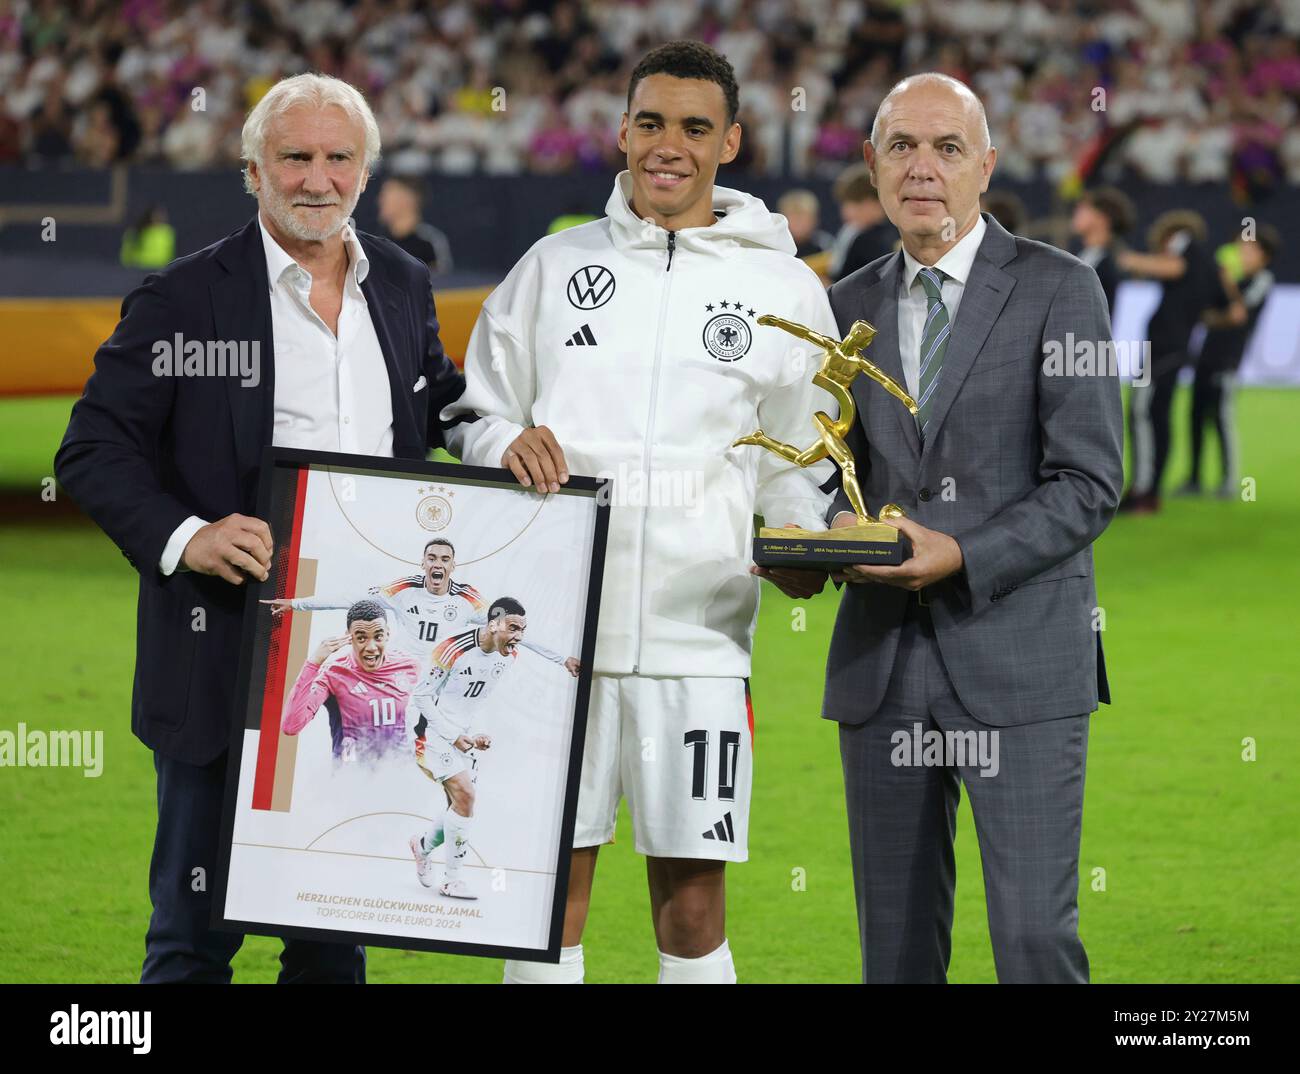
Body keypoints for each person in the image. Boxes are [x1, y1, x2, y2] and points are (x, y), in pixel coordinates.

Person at [53, 73, 464, 984]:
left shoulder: (400, 284)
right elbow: (92, 449)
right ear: (252, 170)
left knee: (332, 942)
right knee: (192, 945)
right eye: (295, 157)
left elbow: (439, 411)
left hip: (358, 667)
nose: (318, 179)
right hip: (219, 651)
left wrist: (507, 443)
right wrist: (185, 535)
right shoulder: (185, 296)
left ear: (367, 170)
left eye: (338, 158)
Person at [443, 40, 838, 984]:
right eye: (651, 123)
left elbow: (801, 455)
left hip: (699, 644)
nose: (670, 146)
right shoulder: (552, 267)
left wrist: (801, 542)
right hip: (550, 641)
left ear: (732, 141)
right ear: (622, 132)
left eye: (695, 127)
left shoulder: (784, 290)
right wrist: (503, 444)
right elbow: (471, 411)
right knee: (549, 900)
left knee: (693, 910)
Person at [818, 73, 1123, 983]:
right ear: (871, 164)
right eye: (901, 146)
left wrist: (964, 554)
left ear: (984, 167)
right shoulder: (844, 309)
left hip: (1021, 661)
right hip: (884, 667)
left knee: (1033, 944)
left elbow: (1091, 481)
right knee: (897, 956)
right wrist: (822, 537)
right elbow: (837, 478)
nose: (923, 167)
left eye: (947, 148)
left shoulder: (1061, 290)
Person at [408, 597, 577, 900]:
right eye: (513, 628)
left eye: (522, 630)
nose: (519, 638)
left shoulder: (507, 652)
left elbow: (531, 644)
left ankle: (421, 846)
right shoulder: (452, 649)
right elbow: (421, 697)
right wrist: (452, 734)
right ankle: (452, 880)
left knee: (460, 806)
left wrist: (562, 659)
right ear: (492, 624)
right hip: (430, 731)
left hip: (464, 733)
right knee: (466, 796)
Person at [1118, 210, 1219, 513]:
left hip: (1163, 349)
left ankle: (1143, 491)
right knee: (1158, 414)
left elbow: (1174, 267)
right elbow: (1223, 307)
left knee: (1142, 411)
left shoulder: (1184, 245)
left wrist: (1131, 261)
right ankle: (1151, 489)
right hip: (1177, 347)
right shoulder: (1208, 263)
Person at [1180, 226, 1278, 497]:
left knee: (1221, 418)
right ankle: (1194, 479)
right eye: (1239, 248)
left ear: (1264, 256)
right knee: (1195, 416)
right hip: (1206, 356)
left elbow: (1238, 314)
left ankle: (1229, 482)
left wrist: (1225, 281)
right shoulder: (1227, 281)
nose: (1241, 254)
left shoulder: (1262, 280)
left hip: (1228, 361)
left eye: (1249, 249)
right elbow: (1205, 313)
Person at [281, 599, 421, 763]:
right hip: (351, 780)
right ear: (349, 637)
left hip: (399, 777)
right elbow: (291, 726)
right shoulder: (333, 674)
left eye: (378, 636)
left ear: (388, 634)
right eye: (361, 638)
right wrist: (314, 663)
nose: (371, 647)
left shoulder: (410, 668)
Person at [1070, 187, 1136, 316]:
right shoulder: (1087, 256)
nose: (1076, 212)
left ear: (1101, 218)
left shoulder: (1108, 263)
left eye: (1083, 208)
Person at [828, 164, 897, 281]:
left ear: (872, 203)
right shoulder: (854, 232)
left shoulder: (865, 240)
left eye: (854, 205)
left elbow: (842, 285)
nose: (846, 213)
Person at [377, 174, 454, 274]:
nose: (380, 201)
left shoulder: (428, 243)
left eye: (386, 196)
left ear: (407, 201)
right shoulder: (378, 242)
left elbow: (443, 283)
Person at [777, 189, 835, 259]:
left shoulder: (826, 245)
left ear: (814, 220)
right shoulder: (774, 246)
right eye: (792, 216)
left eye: (802, 216)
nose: (797, 221)